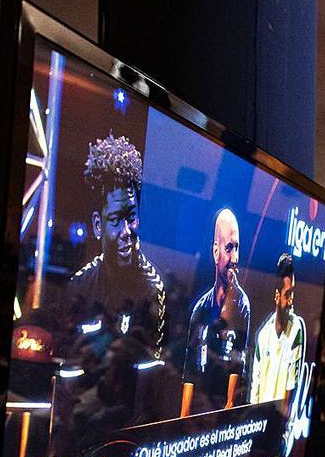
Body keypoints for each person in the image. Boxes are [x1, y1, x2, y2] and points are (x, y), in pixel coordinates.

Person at [67, 133, 165, 359]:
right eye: (115, 220)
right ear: (97, 225)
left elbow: (153, 363)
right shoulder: (79, 284)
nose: (126, 231)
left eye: (131, 217)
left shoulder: (153, 288)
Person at [183, 207, 252, 410]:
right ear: (216, 251)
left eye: (237, 248)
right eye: (229, 248)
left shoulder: (242, 305)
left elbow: (240, 362)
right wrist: (183, 415)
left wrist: (229, 406)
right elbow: (190, 369)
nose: (235, 258)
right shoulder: (200, 308)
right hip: (199, 410)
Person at [248, 254, 306, 406]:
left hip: (280, 421)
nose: (291, 301)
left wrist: (284, 414)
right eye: (287, 294)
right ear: (277, 296)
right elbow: (256, 382)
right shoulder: (263, 335)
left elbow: (292, 381)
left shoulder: (296, 328)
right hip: (262, 418)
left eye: (292, 293)